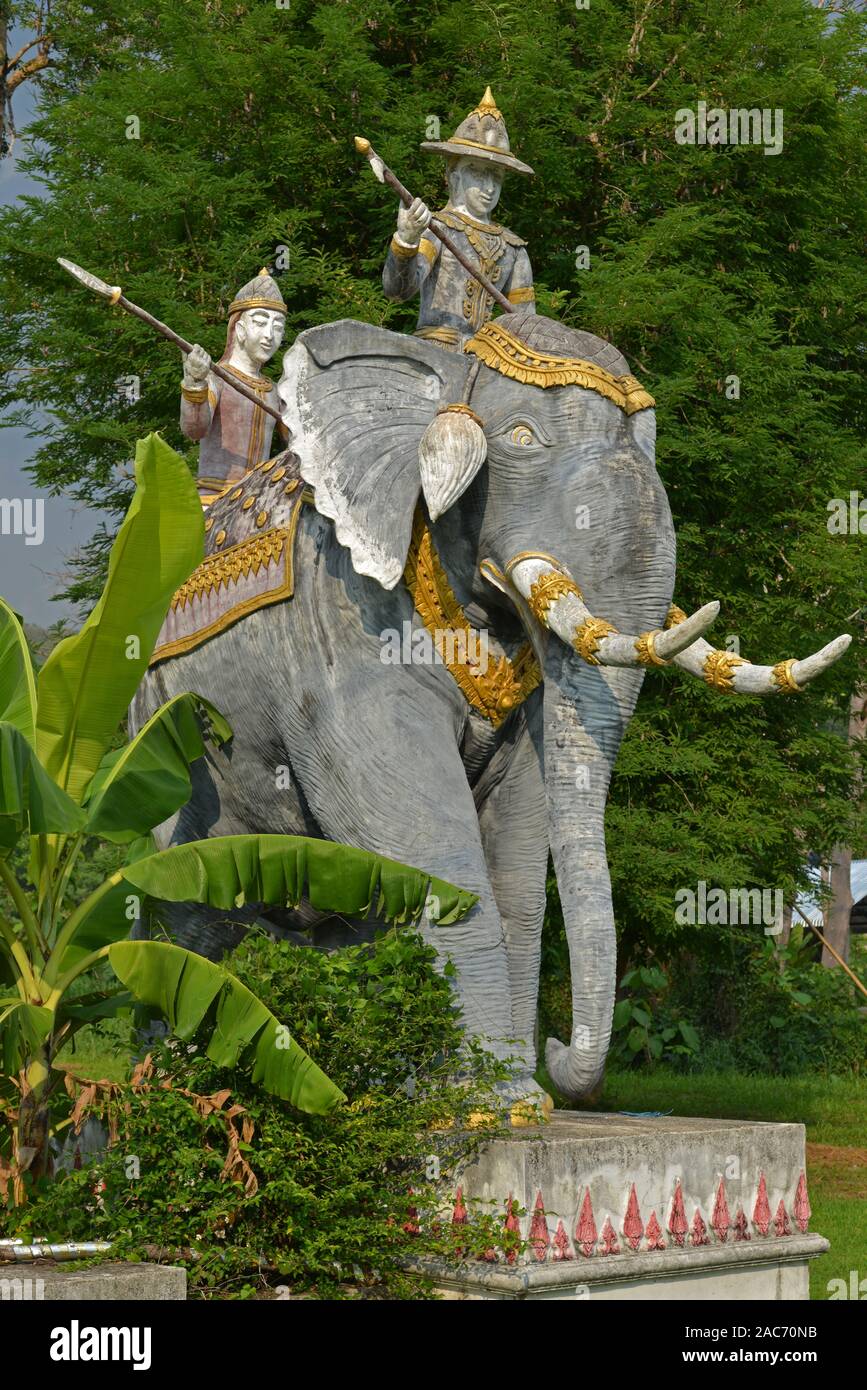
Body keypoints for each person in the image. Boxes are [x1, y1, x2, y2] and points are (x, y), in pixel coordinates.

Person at [382, 88, 535, 352]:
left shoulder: (513, 249)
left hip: (488, 361)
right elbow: (398, 292)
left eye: (496, 177)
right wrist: (406, 240)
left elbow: (527, 327)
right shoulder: (437, 228)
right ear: (454, 176)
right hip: (435, 355)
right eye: (478, 173)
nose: (489, 187)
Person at [180, 268, 288, 505]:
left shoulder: (276, 391)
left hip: (259, 502)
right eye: (260, 322)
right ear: (239, 329)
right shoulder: (216, 379)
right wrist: (195, 383)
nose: (270, 335)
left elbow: (298, 448)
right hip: (214, 500)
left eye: (278, 327)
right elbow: (194, 430)